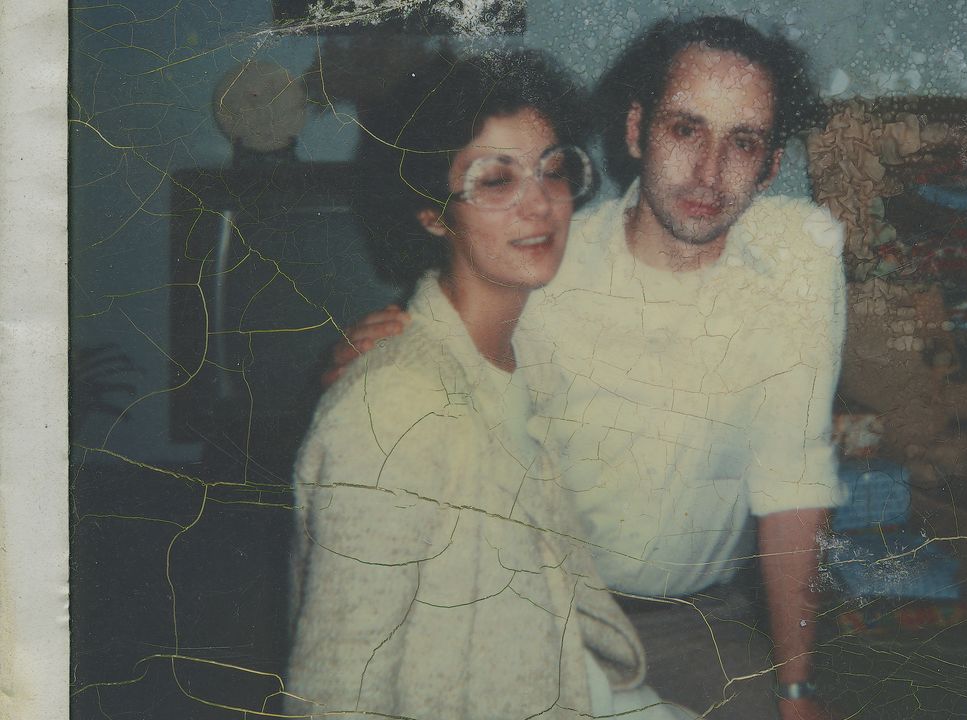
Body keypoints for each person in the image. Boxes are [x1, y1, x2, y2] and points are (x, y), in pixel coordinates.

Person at [327, 18, 846, 720]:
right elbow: (453, 324)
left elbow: (795, 483)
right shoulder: (551, 258)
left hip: (697, 619)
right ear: (636, 131)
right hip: (540, 605)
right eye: (685, 129)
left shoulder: (796, 270)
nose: (709, 170)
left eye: (743, 142)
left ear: (772, 165)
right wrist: (379, 348)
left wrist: (796, 689)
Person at [285, 50, 689, 720]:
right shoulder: (392, 407)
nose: (540, 203)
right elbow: (335, 688)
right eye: (495, 180)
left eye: (554, 169)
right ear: (431, 214)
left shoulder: (525, 351)